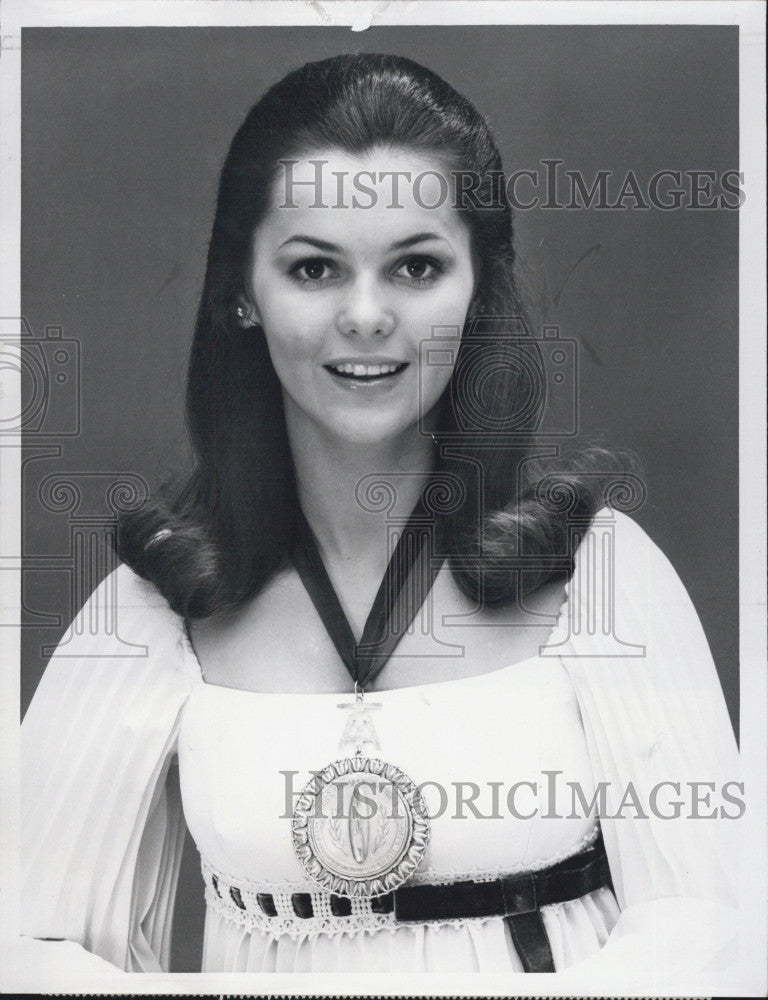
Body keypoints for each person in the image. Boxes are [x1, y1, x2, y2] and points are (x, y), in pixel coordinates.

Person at [20, 54, 739, 981]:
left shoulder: (600, 582)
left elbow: (712, 926)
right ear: (242, 291)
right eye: (315, 267)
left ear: (480, 288)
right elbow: (27, 947)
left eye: (416, 265)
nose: (366, 316)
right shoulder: (151, 611)